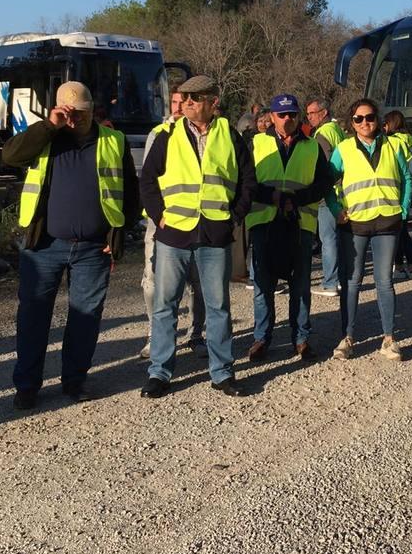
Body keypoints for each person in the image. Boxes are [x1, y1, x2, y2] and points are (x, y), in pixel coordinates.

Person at [1, 80, 140, 409]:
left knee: (85, 318)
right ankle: (27, 385)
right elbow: (10, 155)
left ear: (93, 110)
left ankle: (75, 381)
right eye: (67, 112)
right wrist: (50, 124)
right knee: (33, 317)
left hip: (93, 248)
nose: (73, 118)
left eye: (80, 112)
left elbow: (130, 193)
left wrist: (118, 235)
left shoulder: (113, 140)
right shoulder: (46, 138)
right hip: (44, 247)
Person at [139, 75, 256, 399]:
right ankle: (160, 373)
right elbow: (147, 180)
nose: (187, 103)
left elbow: (248, 179)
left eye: (195, 98)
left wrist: (235, 216)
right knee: (165, 305)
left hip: (215, 233)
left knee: (218, 306)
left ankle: (222, 373)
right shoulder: (167, 135)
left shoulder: (228, 135)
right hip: (173, 234)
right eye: (184, 98)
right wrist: (159, 216)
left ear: (212, 102)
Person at [246, 93, 333, 363]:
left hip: (300, 224)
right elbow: (245, 181)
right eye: (282, 115)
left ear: (299, 117)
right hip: (264, 222)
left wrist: (298, 199)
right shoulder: (255, 143)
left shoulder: (311, 146)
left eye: (292, 114)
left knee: (300, 285)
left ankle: (301, 339)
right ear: (271, 117)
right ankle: (262, 338)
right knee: (263, 284)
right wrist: (271, 196)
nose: (287, 119)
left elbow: (323, 182)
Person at [327, 98, 412, 361]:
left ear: (378, 119)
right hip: (355, 224)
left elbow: (407, 178)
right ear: (351, 122)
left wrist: (404, 210)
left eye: (370, 117)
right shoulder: (342, 149)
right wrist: (336, 210)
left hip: (387, 221)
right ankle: (348, 337)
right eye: (358, 119)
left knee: (384, 281)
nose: (365, 123)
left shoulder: (394, 144)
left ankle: (388, 339)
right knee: (352, 282)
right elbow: (327, 184)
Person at [139, 88, 208, 361]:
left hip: (197, 222)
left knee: (198, 283)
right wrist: (158, 215)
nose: (180, 107)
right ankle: (155, 335)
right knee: (153, 282)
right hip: (163, 224)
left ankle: (195, 334)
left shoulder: (205, 134)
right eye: (176, 102)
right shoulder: (159, 135)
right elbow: (148, 179)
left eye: (185, 102)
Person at [307, 97, 345, 298]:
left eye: (312, 113)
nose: (309, 117)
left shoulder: (322, 134)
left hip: (329, 193)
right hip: (343, 192)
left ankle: (330, 282)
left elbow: (324, 166)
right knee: (339, 238)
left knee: (327, 238)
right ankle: (340, 278)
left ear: (323, 113)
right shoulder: (337, 130)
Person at [383, 110, 412, 281]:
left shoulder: (393, 141)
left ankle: (398, 267)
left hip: (397, 187)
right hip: (410, 187)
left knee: (397, 231)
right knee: (405, 231)